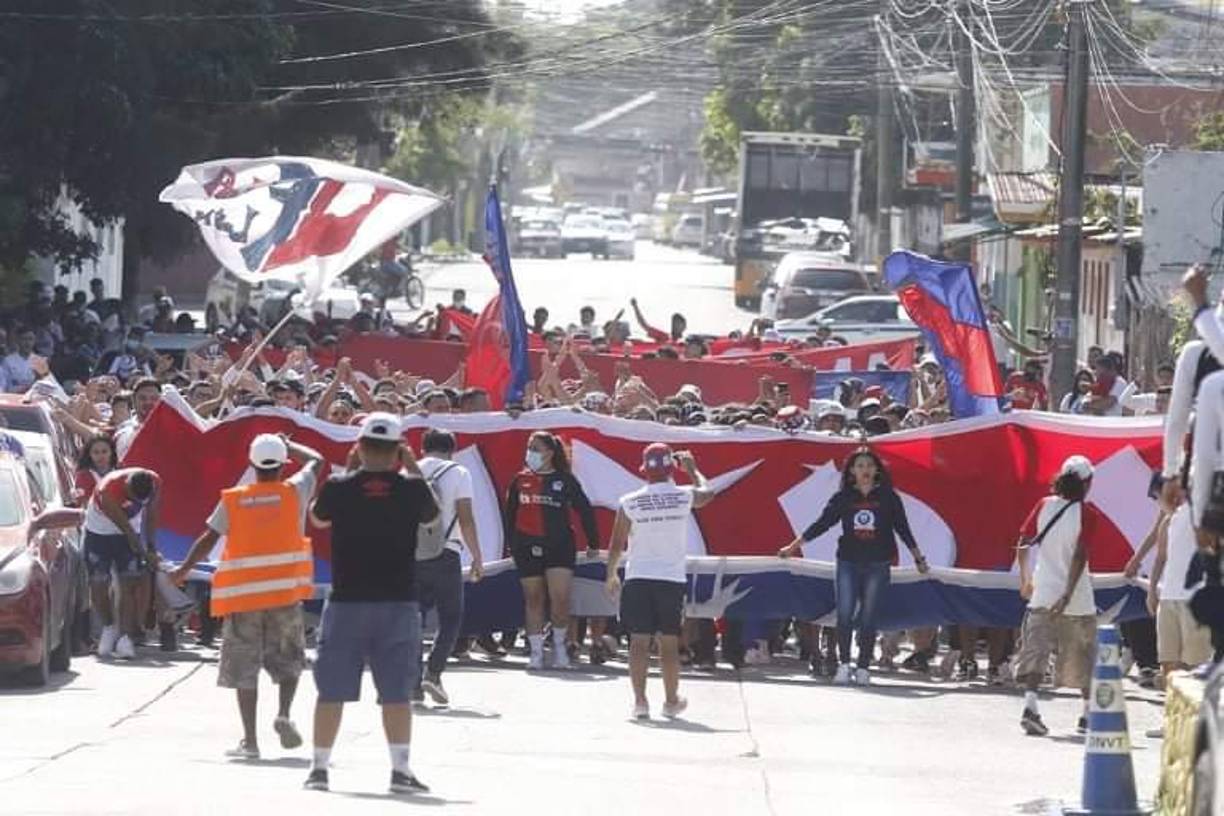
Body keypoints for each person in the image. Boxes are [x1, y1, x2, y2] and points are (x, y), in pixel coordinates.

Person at [304, 413, 439, 794]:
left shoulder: (338, 487)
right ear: (398, 450)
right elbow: (433, 517)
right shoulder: (412, 489)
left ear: (360, 446)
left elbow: (317, 519)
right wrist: (413, 467)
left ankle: (319, 769)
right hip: (397, 603)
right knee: (396, 691)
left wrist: (349, 471)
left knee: (331, 688)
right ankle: (400, 770)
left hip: (346, 602)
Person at [171, 434, 324, 760]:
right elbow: (317, 461)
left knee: (244, 668)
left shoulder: (234, 499)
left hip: (243, 599)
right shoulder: (295, 491)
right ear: (283, 465)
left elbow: (208, 537)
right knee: (289, 661)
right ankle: (283, 714)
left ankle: (250, 742)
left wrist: (184, 569)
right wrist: (289, 445)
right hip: (284, 595)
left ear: (252, 465)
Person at [778, 449, 929, 685]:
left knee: (869, 616)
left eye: (869, 465)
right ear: (851, 472)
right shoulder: (843, 497)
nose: (865, 470)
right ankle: (844, 664)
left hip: (879, 562)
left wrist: (918, 558)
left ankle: (863, 667)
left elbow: (903, 528)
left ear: (877, 470)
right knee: (844, 614)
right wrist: (793, 547)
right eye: (859, 466)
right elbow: (822, 523)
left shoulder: (889, 497)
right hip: (848, 561)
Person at [605, 444, 714, 720]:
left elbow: (617, 543)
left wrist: (611, 574)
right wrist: (693, 470)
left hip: (638, 577)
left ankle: (640, 702)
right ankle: (671, 700)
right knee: (668, 643)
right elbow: (708, 493)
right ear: (670, 467)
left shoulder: (630, 501)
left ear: (645, 469)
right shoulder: (683, 496)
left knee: (638, 641)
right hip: (670, 579)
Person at [1014, 455, 1101, 736]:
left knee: (1037, 648)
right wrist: (1067, 594)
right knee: (1083, 651)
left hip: (1043, 588)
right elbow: (1080, 555)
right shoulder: (1087, 513)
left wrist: (1025, 579)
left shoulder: (1043, 505)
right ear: (1087, 483)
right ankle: (1087, 714)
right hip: (1077, 594)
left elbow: (1023, 543)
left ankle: (1031, 707)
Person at [503, 431, 599, 670]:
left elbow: (584, 509)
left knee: (560, 598)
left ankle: (560, 649)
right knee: (533, 598)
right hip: (526, 546)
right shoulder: (519, 480)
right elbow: (509, 515)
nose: (530, 453)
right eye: (529, 448)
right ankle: (536, 653)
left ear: (549, 452)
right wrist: (511, 544)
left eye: (536, 448)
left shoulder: (565, 480)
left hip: (559, 546)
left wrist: (593, 542)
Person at [415, 429, 484, 706]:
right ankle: (433, 672)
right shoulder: (459, 473)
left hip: (412, 555)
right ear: (451, 450)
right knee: (451, 618)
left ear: (423, 447)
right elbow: (466, 518)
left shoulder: (409, 472)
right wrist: (477, 556)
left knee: (414, 618)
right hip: (447, 551)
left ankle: (413, 684)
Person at [82, 467, 161, 660]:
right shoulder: (108, 490)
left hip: (129, 530)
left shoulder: (155, 482)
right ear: (126, 486)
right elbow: (126, 530)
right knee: (98, 583)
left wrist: (152, 548)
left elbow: (151, 515)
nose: (137, 503)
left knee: (130, 584)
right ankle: (109, 626)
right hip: (99, 533)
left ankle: (125, 637)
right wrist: (145, 553)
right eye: (133, 498)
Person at [1148, 504, 1212, 683]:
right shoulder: (1170, 518)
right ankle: (1172, 701)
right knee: (1168, 663)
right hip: (1168, 597)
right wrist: (1152, 591)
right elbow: (1160, 557)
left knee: (1195, 664)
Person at [74, 435, 118, 503]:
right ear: (89, 454)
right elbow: (82, 502)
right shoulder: (82, 476)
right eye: (96, 452)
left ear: (111, 452)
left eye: (104, 451)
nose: (101, 456)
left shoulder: (121, 472)